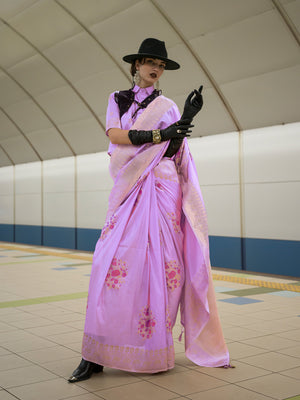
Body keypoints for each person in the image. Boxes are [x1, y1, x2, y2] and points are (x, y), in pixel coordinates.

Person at [68, 38, 230, 383]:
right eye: (149, 62)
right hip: (130, 189)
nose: (155, 69)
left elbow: (175, 148)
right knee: (109, 264)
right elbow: (115, 135)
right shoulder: (117, 99)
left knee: (165, 270)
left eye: (160, 64)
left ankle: (152, 347)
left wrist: (186, 118)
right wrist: (159, 134)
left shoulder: (168, 105)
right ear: (136, 65)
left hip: (164, 188)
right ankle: (94, 354)